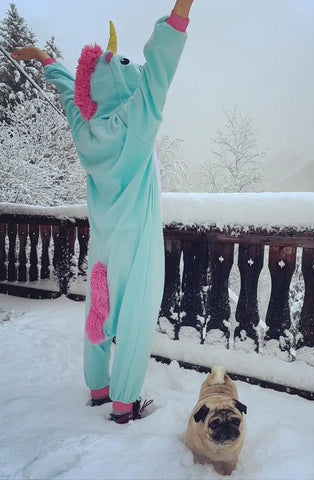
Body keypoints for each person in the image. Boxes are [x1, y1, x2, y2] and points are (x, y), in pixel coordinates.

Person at [12, 0, 195, 424]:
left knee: (100, 308)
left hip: (105, 241)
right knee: (134, 319)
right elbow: (160, 66)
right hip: (138, 245)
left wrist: (45, 59)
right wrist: (182, 7)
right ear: (126, 82)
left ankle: (98, 388)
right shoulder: (137, 121)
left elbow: (67, 93)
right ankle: (124, 402)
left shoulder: (86, 130)